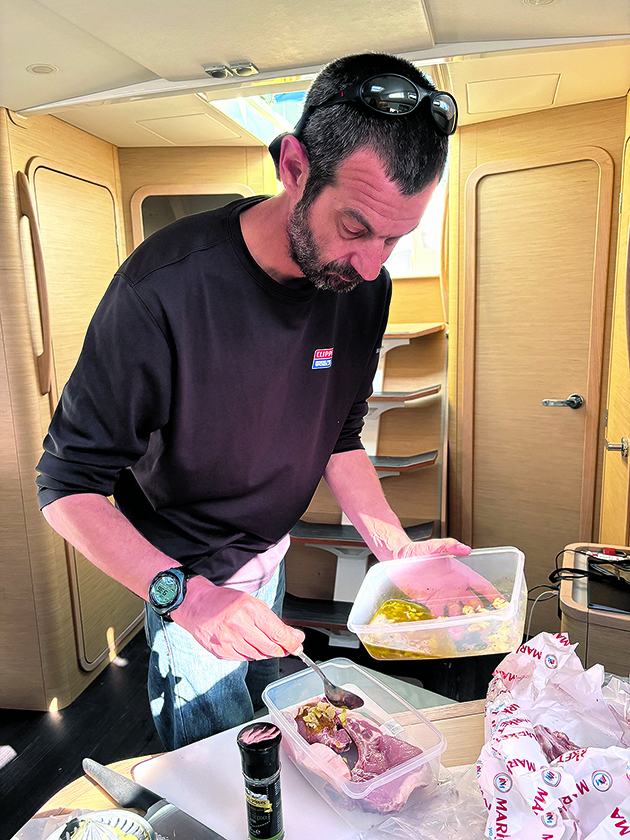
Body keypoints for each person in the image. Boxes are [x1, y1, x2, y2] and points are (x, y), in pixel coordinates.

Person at [36, 52, 499, 751]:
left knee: (278, 739)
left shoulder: (363, 288)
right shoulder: (162, 289)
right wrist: (185, 599)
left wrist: (395, 549)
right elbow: (66, 487)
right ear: (293, 167)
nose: (373, 264)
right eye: (355, 227)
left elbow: (340, 434)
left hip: (269, 559)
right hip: (192, 580)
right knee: (216, 768)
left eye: (396, 239)